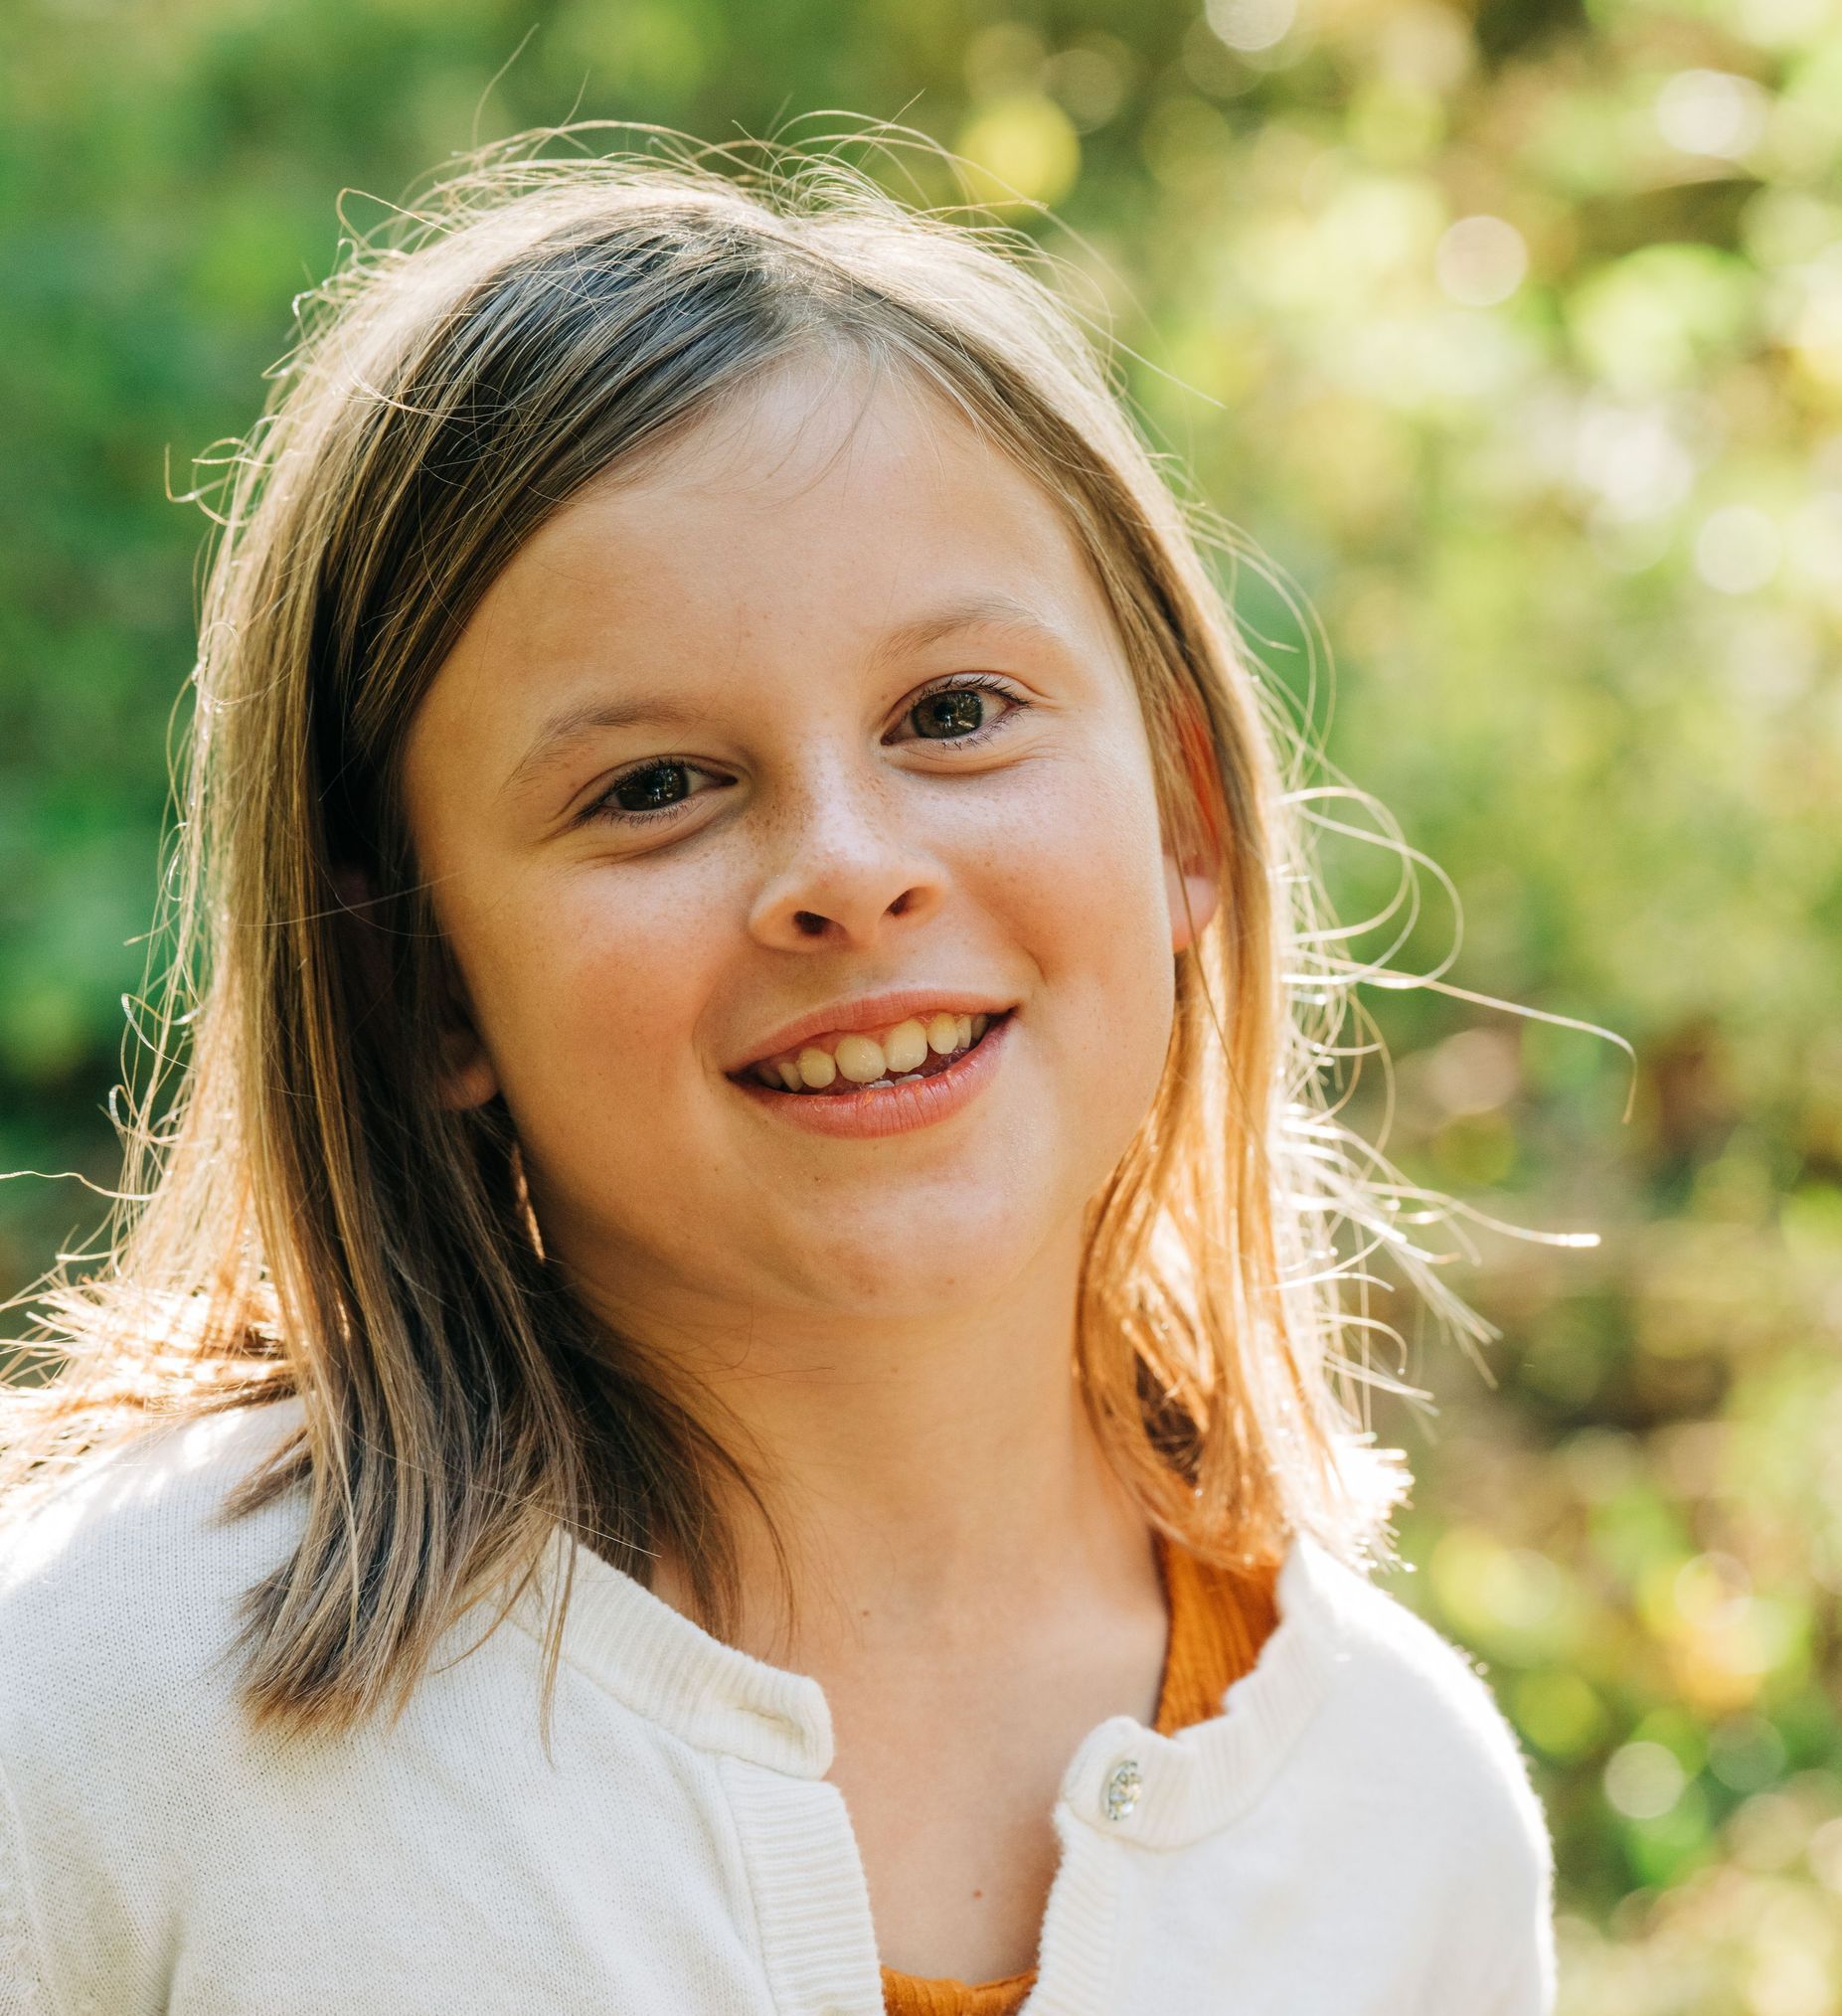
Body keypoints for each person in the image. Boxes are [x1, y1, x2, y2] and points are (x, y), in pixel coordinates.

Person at [0, 131, 1556, 2014]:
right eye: (650, 787)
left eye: (953, 715)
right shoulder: (103, 1723)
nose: (846, 866)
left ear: (1186, 820)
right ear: (418, 977)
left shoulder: (1404, 1817)